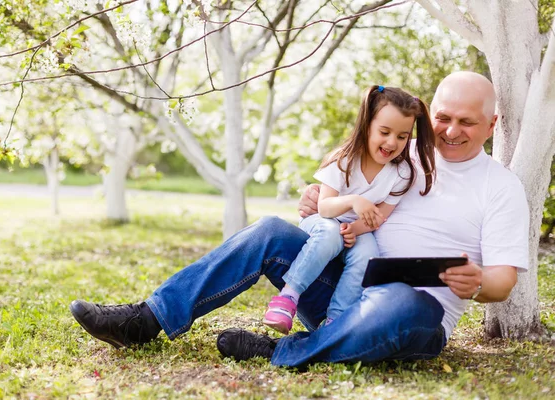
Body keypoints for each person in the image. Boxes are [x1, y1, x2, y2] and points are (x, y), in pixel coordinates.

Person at [69, 71, 529, 368]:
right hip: (343, 287)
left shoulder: (500, 187)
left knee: (401, 303)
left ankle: (284, 350)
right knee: (269, 230)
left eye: (467, 122)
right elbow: (340, 186)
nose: (450, 131)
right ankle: (147, 319)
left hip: (412, 310)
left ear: (492, 124)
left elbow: (502, 282)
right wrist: (321, 196)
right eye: (444, 117)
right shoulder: (398, 152)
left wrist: (476, 281)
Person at [262, 85, 435, 335]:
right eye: (384, 132)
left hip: (357, 231)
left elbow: (380, 217)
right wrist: (354, 201)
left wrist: (355, 228)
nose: (391, 142)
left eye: (402, 136)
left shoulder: (401, 173)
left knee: (368, 255)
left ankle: (336, 321)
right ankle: (288, 296)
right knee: (330, 234)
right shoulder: (344, 160)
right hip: (322, 222)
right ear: (367, 125)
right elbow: (324, 206)